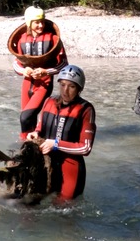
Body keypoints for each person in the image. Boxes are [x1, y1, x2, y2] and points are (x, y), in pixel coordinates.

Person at [25, 64, 96, 202]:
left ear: (79, 89)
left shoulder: (86, 109)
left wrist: (56, 144)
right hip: (46, 162)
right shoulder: (49, 101)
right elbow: (40, 128)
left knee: (63, 210)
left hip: (70, 167)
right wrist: (35, 134)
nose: (66, 90)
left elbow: (85, 147)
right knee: (29, 203)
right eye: (62, 85)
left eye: (72, 86)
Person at [13, 6, 68, 141]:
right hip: (27, 83)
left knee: (24, 117)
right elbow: (16, 63)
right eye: (37, 22)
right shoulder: (22, 39)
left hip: (44, 83)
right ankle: (29, 145)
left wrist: (46, 72)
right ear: (29, 23)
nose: (40, 25)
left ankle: (28, 146)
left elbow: (64, 64)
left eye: (42, 21)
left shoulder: (53, 39)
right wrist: (23, 70)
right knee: (28, 119)